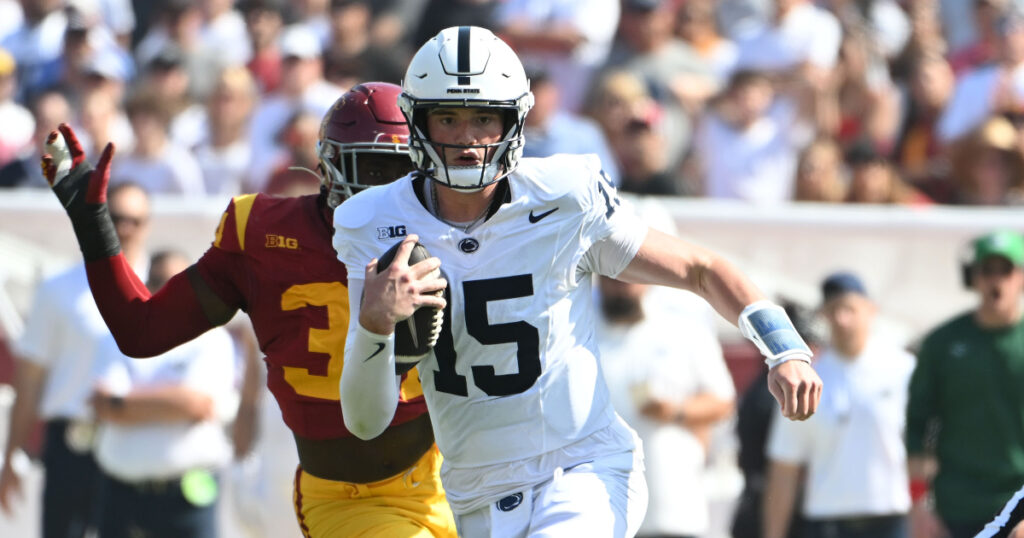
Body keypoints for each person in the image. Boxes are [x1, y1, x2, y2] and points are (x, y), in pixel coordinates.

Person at [332, 26, 822, 537]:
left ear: (514, 120)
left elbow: (700, 269)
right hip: (476, 492)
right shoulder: (372, 222)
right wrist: (373, 325)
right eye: (448, 118)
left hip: (581, 469)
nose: (468, 138)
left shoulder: (563, 197)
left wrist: (785, 349)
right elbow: (365, 421)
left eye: (484, 117)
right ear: (419, 121)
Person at [38, 82, 457, 537]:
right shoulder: (261, 235)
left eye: (402, 170)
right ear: (330, 167)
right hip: (354, 497)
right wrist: (93, 223)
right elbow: (141, 330)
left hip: (452, 473)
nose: (388, 188)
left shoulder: (448, 228)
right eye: (373, 166)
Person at [0, 182, 150, 538]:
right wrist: (12, 457)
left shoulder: (162, 287)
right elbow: (31, 379)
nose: (126, 228)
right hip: (73, 445)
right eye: (116, 219)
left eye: (135, 220)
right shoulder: (60, 289)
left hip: (139, 438)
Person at [90, 250, 236, 538]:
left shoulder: (212, 339)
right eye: (157, 280)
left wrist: (126, 403)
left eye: (176, 281)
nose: (166, 289)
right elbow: (102, 404)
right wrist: (171, 401)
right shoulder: (118, 336)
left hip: (186, 497)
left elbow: (197, 404)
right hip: (120, 494)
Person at [763, 272, 915, 538]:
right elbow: (784, 467)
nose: (842, 320)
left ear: (871, 310)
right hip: (826, 518)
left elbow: (925, 451)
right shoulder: (806, 377)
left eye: (849, 308)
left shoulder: (903, 370)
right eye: (833, 310)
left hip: (888, 516)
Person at [596, 275, 736, 538]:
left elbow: (722, 401)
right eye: (611, 278)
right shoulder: (577, 326)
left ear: (646, 279)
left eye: (629, 278)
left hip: (670, 506)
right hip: (596, 508)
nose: (621, 287)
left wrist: (675, 411)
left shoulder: (682, 326)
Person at [907, 230, 1024, 538]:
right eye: (987, 270)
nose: (996, 281)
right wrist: (920, 505)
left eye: (1005, 270)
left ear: (1021, 277)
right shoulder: (943, 343)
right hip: (954, 508)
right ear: (973, 277)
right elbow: (919, 426)